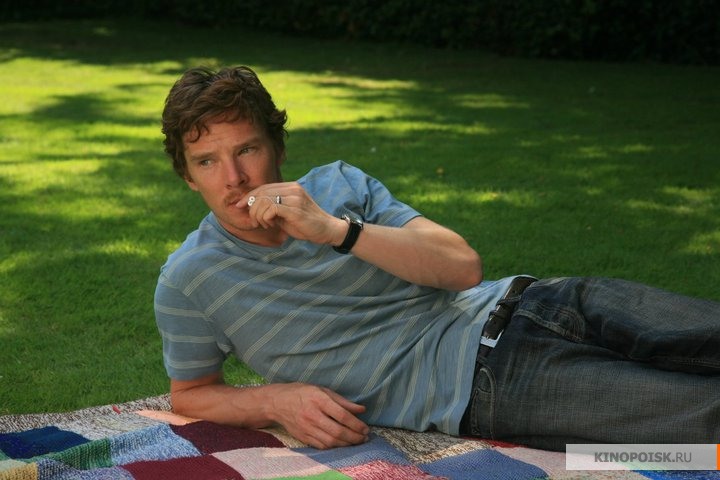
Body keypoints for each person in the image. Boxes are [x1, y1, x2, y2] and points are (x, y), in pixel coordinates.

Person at [155, 65, 720, 451]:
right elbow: (192, 393)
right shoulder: (191, 278)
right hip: (489, 384)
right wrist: (276, 401)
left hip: (539, 299)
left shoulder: (339, 186)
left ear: (277, 148)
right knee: (706, 417)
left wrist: (334, 230)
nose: (234, 178)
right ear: (187, 177)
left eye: (247, 149)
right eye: (207, 161)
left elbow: (462, 267)